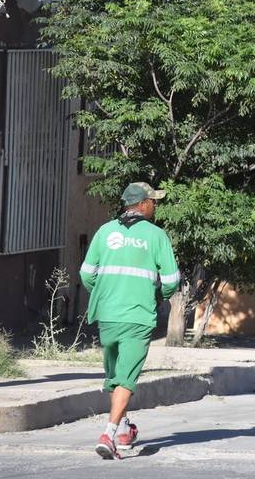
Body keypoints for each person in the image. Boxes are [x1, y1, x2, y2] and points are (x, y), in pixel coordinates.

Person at [80, 182, 180, 460]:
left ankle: (124, 429)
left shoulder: (105, 231)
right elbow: (172, 280)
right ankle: (108, 434)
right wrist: (157, 295)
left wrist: (107, 293)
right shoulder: (156, 235)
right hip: (138, 316)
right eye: (153, 201)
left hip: (108, 315)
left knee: (115, 376)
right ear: (143, 204)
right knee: (126, 378)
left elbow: (87, 274)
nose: (155, 205)